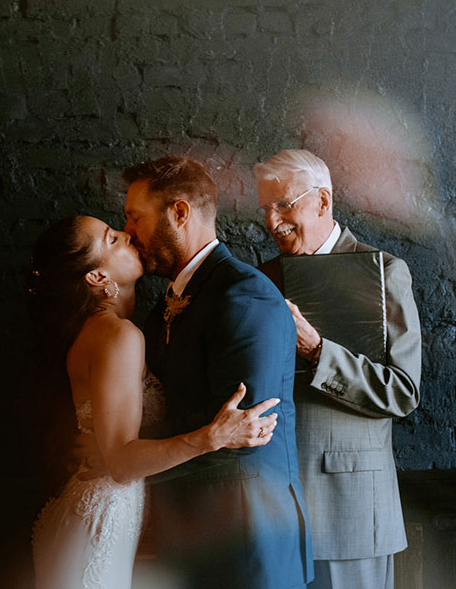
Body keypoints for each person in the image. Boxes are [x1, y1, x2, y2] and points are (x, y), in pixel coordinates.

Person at [29, 215, 281, 589]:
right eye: (111, 239)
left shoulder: (110, 330)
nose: (127, 234)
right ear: (97, 278)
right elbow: (120, 463)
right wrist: (213, 437)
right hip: (99, 523)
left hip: (103, 514)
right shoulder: (118, 336)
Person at [122, 156, 313, 589]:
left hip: (248, 545)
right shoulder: (164, 305)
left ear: (180, 213)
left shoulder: (244, 296)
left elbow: (242, 432)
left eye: (135, 217)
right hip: (189, 538)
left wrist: (121, 450)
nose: (129, 231)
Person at [253, 149, 421, 589]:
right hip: (274, 506)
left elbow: (402, 392)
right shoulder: (262, 278)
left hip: (350, 509)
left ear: (323, 202)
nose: (272, 222)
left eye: (284, 205)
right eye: (265, 209)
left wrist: (317, 350)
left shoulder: (385, 272)